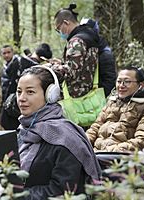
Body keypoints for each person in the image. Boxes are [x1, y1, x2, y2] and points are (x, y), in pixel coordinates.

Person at [17, 65, 101, 199]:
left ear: (50, 95)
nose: (21, 98)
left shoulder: (65, 139)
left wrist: (17, 195)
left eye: (30, 92)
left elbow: (62, 191)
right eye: (19, 91)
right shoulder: (24, 130)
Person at [86, 67, 144, 152]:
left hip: (120, 158)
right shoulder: (112, 102)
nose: (121, 85)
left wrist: (110, 151)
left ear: (141, 85)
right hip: (96, 154)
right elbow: (95, 128)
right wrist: (83, 142)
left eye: (127, 82)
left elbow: (143, 140)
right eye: (119, 81)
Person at [0, 43, 53, 130]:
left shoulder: (19, 62)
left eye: (9, 52)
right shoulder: (23, 66)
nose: (7, 55)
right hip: (13, 112)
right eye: (4, 53)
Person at [51, 4, 99, 99]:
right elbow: (82, 64)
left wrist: (51, 68)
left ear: (66, 23)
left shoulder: (76, 41)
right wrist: (62, 63)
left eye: (58, 29)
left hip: (75, 95)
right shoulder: (89, 36)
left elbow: (71, 72)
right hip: (88, 91)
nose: (59, 32)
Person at [80, 18, 117, 97]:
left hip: (97, 100)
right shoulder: (82, 48)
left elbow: (109, 81)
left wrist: (98, 97)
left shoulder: (104, 53)